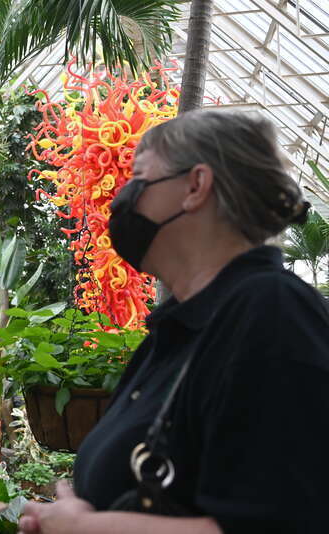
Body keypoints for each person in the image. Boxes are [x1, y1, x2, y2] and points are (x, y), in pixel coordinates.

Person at [19, 110, 329, 534]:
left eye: (140, 177)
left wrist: (85, 528)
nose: (123, 197)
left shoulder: (273, 313)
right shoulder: (177, 335)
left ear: (196, 186)